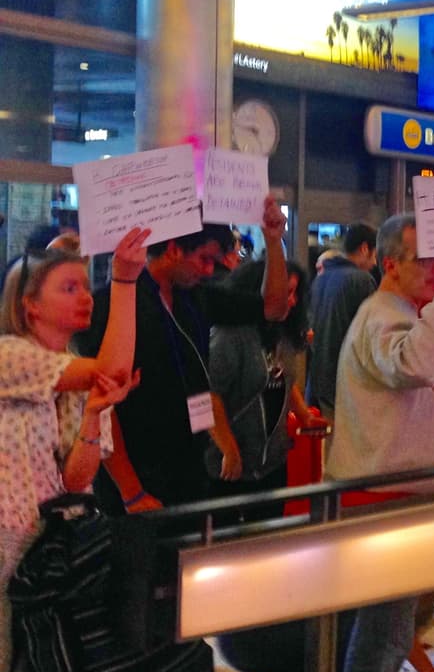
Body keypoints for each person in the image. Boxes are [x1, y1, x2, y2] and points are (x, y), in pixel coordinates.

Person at [327, 215, 434, 672]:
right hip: (383, 496)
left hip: (393, 492)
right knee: (382, 637)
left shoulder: (399, 311)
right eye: (424, 260)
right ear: (389, 264)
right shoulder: (383, 315)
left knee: (388, 634)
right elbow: (414, 363)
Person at [0, 228, 148, 672]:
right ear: (30, 306)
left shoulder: (75, 368)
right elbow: (112, 370)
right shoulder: (10, 355)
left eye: (86, 286)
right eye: (69, 288)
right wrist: (124, 282)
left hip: (50, 552)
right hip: (7, 547)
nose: (85, 297)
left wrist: (93, 419)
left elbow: (76, 478)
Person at [75, 199, 290, 513]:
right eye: (203, 258)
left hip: (190, 469)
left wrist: (273, 242)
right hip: (135, 477)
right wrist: (130, 491)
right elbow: (102, 407)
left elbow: (275, 308)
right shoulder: (111, 304)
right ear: (174, 248)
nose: (208, 270)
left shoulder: (196, 296)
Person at [208, 259, 325, 522]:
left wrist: (304, 414)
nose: (291, 301)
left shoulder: (281, 331)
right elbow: (206, 394)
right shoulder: (230, 334)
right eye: (286, 292)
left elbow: (282, 379)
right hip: (229, 466)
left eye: (295, 293)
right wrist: (227, 447)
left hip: (271, 463)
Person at [307, 222, 378, 422]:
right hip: (346, 383)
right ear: (365, 249)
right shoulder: (362, 280)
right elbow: (369, 336)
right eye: (374, 255)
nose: (374, 263)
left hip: (318, 379)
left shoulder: (321, 279)